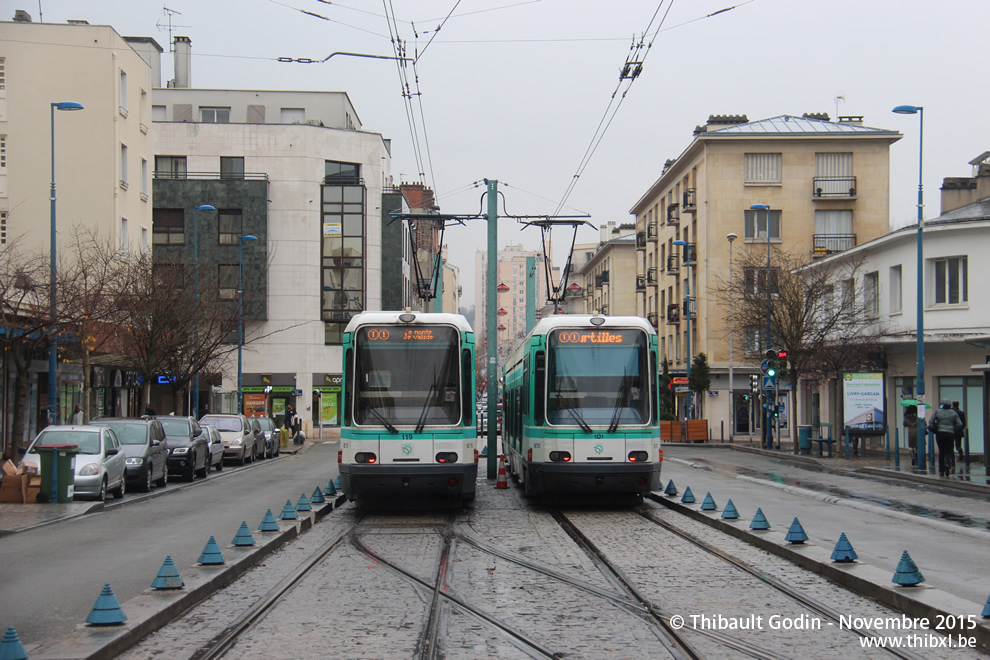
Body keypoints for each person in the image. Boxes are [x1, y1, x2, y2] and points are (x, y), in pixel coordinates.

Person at [927, 399, 962, 477]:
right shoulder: (953, 413)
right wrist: (953, 429)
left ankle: (941, 470)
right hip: (950, 433)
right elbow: (959, 424)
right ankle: (947, 464)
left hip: (940, 433)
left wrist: (936, 425)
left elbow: (930, 421)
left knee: (941, 451)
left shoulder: (937, 412)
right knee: (949, 450)